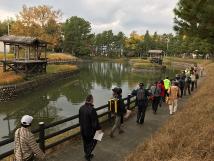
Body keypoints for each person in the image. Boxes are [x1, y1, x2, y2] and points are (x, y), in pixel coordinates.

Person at [79, 95, 101, 161]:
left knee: (85, 143)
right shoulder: (92, 109)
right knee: (95, 140)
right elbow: (95, 123)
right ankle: (88, 155)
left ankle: (87, 154)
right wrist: (99, 129)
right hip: (90, 131)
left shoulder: (81, 108)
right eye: (92, 99)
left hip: (83, 129)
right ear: (91, 100)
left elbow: (80, 120)